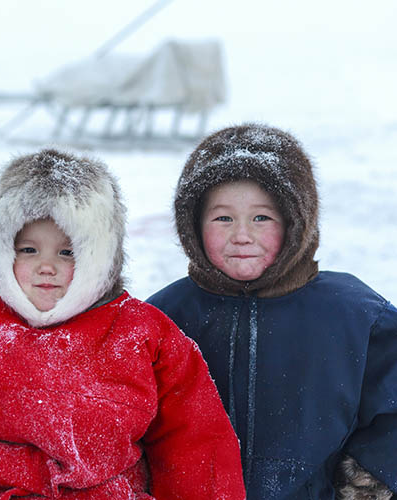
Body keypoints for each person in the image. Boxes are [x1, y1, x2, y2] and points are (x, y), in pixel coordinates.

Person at [0, 149, 245, 500]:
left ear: (99, 255)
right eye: (29, 250)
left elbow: (196, 446)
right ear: (3, 249)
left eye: (67, 253)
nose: (46, 267)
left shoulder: (141, 332)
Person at [147, 123, 397, 500]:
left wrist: (367, 480)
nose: (242, 235)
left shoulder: (356, 315)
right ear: (192, 225)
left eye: (261, 218)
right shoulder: (162, 319)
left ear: (296, 222)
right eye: (223, 218)